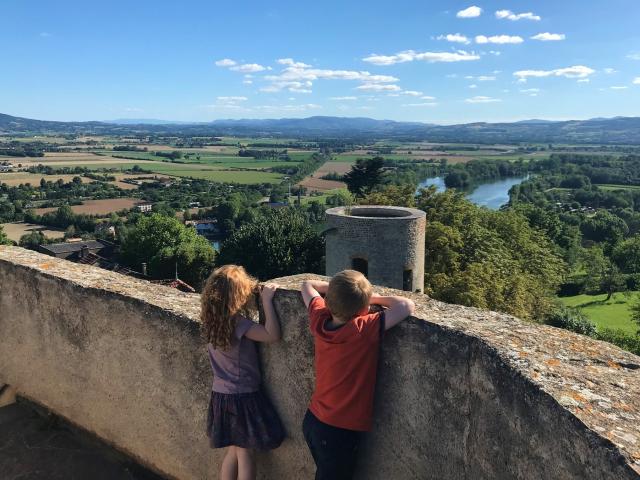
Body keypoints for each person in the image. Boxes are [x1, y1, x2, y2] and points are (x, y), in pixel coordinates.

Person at [300, 270, 416, 480]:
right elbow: (407, 305)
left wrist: (339, 294)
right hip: (339, 431)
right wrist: (372, 298)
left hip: (314, 420)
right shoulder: (363, 328)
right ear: (364, 308)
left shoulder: (319, 319)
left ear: (330, 302)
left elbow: (307, 285)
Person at [201, 265, 285, 480]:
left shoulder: (211, 322)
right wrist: (266, 301)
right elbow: (272, 335)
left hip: (221, 396)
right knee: (245, 453)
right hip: (242, 397)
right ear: (238, 295)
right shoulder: (240, 324)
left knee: (234, 449)